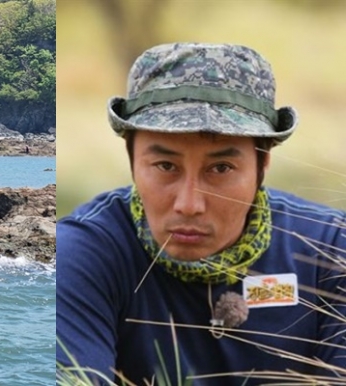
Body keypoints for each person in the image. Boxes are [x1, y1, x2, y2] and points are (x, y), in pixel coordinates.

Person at [56, 43, 346, 385]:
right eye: (165, 166)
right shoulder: (81, 256)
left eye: (221, 168)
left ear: (263, 163)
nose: (189, 204)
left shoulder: (330, 247)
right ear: (131, 157)